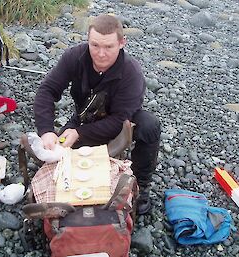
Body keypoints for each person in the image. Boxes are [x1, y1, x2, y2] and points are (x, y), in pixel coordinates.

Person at [34, 14, 161, 214]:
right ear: (88, 41)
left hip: (120, 124)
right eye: (95, 45)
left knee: (149, 124)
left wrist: (81, 134)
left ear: (121, 43)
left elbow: (119, 120)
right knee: (54, 162)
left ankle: (141, 186)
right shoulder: (73, 57)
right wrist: (46, 130)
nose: (101, 54)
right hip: (85, 119)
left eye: (109, 47)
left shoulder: (131, 73)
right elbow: (47, 90)